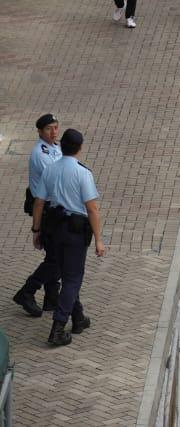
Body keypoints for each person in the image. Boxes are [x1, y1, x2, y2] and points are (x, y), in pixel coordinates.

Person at [38, 128, 105, 347]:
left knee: (67, 274)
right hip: (76, 233)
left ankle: (78, 318)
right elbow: (92, 209)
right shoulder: (82, 172)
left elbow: (39, 201)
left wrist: (36, 230)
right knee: (73, 279)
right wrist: (99, 239)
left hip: (55, 229)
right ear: (80, 148)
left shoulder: (50, 169)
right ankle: (58, 327)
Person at [14, 114, 62, 318]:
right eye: (49, 129)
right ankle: (27, 291)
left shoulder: (55, 147)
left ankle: (51, 298)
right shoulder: (40, 154)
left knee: (54, 256)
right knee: (56, 260)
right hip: (47, 212)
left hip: (55, 210)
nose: (53, 132)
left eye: (56, 128)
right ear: (40, 132)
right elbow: (54, 185)